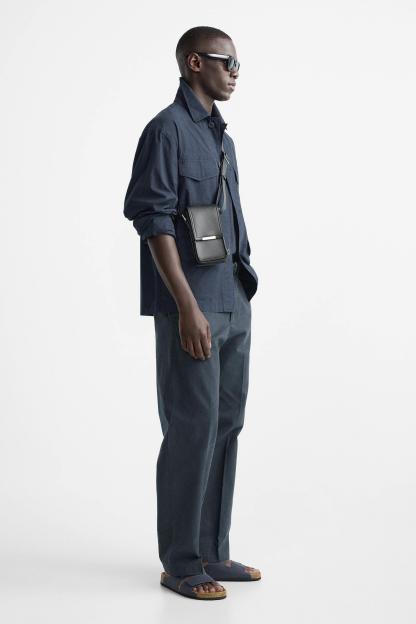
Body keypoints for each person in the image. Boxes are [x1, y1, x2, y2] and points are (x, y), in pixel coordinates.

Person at [123, 26, 261, 601]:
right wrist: (186, 306)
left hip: (232, 297)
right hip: (193, 306)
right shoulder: (166, 130)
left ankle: (212, 550)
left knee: (226, 425)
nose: (236, 73)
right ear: (194, 62)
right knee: (191, 428)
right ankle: (180, 563)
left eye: (239, 64)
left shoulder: (222, 138)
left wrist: (244, 288)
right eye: (228, 62)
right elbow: (152, 220)